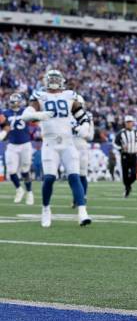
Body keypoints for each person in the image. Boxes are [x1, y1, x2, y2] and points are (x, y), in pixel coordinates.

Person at [22, 69, 92, 227]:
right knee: (49, 178)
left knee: (74, 177)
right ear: (46, 81)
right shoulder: (41, 96)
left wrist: (85, 126)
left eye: (56, 78)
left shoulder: (69, 95)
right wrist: (38, 115)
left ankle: (82, 212)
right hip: (50, 143)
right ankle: (46, 209)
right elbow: (26, 115)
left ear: (61, 80)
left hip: (68, 142)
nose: (53, 82)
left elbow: (81, 114)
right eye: (51, 79)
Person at [0, 93, 34, 205]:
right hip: (12, 145)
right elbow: (3, 125)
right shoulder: (5, 113)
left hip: (25, 144)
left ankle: (29, 192)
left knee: (25, 170)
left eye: (15, 102)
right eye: (12, 102)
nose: (13, 104)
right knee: (11, 171)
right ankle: (19, 189)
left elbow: (35, 120)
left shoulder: (26, 111)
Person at [71, 96, 94, 207]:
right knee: (72, 174)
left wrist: (78, 130)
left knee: (82, 174)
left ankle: (82, 197)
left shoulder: (87, 116)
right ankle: (76, 197)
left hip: (81, 146)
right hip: (70, 146)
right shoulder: (67, 115)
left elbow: (90, 136)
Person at [114, 115, 137, 198]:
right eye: (127, 122)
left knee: (134, 174)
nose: (129, 124)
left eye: (130, 122)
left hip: (133, 155)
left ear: (133, 123)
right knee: (125, 174)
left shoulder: (136, 133)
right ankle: (127, 189)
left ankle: (128, 186)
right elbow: (115, 144)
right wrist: (121, 148)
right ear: (125, 123)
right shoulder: (121, 133)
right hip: (125, 155)